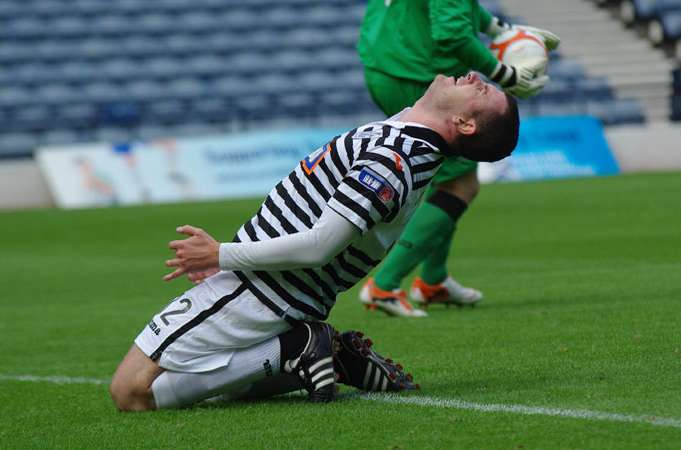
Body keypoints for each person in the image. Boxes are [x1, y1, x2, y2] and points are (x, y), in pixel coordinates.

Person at [109, 72, 520, 411]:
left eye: (480, 89)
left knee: (131, 392)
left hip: (265, 290)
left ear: (465, 124)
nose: (472, 77)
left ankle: (296, 347)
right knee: (225, 383)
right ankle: (327, 357)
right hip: (275, 287)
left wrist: (222, 253)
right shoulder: (408, 135)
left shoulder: (394, 159)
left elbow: (320, 245)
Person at [357, 0, 560, 316]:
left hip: (391, 59)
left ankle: (433, 280)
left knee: (449, 180)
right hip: (414, 67)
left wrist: (496, 28)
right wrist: (502, 74)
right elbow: (451, 34)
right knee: (461, 185)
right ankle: (385, 285)